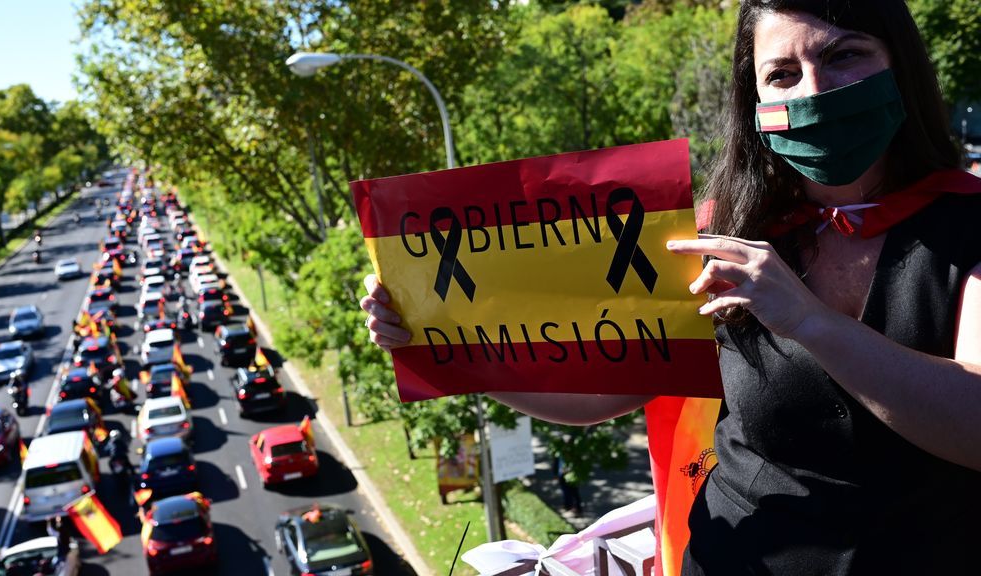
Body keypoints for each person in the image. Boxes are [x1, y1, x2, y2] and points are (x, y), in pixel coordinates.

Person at [360, 1, 981, 573]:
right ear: (754, 101)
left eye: (844, 54)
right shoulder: (720, 233)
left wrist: (809, 320)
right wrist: (441, 339)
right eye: (782, 74)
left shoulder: (969, 221)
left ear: (900, 62)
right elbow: (604, 395)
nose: (814, 90)